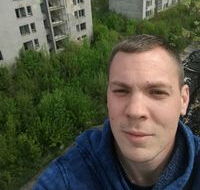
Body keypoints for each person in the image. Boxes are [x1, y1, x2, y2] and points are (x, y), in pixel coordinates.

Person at [33, 34, 200, 190]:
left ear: (183, 100)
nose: (135, 110)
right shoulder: (67, 177)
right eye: (121, 91)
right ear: (107, 97)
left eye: (157, 92)